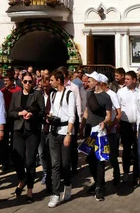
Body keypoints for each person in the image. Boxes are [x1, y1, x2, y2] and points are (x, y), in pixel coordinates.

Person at [9, 72, 44, 203]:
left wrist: (31, 114)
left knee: (30, 161)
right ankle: (22, 179)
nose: (28, 84)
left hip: (32, 131)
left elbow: (41, 111)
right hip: (18, 129)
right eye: (25, 81)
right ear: (21, 82)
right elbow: (10, 112)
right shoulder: (16, 95)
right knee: (17, 159)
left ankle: (30, 190)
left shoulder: (37, 94)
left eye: (30, 81)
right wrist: (19, 113)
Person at [80, 72, 112, 201]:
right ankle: (98, 182)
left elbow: (109, 115)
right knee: (91, 159)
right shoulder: (89, 94)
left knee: (100, 159)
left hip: (99, 130)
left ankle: (99, 187)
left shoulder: (106, 97)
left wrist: (105, 123)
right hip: (89, 130)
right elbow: (87, 111)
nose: (88, 83)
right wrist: (82, 125)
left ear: (96, 82)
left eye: (90, 81)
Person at [47, 70, 75, 208]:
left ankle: (68, 185)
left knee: (65, 164)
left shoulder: (70, 94)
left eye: (52, 80)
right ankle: (55, 194)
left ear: (59, 80)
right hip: (54, 131)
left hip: (65, 131)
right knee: (55, 164)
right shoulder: (52, 94)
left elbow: (72, 115)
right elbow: (52, 110)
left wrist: (69, 134)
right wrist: (50, 117)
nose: (50, 82)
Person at [58, 66, 84, 176]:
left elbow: (78, 103)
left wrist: (80, 119)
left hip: (72, 117)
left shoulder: (73, 87)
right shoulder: (58, 88)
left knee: (72, 144)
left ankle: (73, 166)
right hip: (62, 118)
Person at [117, 71, 139, 184]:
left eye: (128, 79)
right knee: (126, 150)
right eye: (125, 79)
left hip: (138, 125)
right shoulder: (120, 92)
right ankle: (126, 172)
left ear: (134, 80)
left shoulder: (139, 93)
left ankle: (136, 175)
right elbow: (117, 108)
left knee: (137, 151)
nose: (125, 81)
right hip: (125, 124)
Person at [101, 74, 120, 188]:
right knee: (101, 157)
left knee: (112, 156)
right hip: (101, 131)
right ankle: (101, 181)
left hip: (111, 132)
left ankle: (116, 175)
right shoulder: (97, 94)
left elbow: (118, 113)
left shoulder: (112, 95)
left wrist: (111, 127)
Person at [0, 71, 22, 171]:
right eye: (4, 80)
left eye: (7, 81)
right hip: (4, 119)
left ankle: (14, 160)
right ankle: (5, 162)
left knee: (14, 141)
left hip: (15, 118)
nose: (5, 82)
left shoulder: (18, 90)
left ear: (12, 81)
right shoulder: (2, 91)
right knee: (3, 142)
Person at [38, 76, 53, 192]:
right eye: (43, 85)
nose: (44, 87)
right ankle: (45, 173)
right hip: (40, 127)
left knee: (51, 153)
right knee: (42, 152)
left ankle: (51, 174)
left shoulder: (54, 95)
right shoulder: (38, 95)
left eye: (46, 85)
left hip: (51, 128)